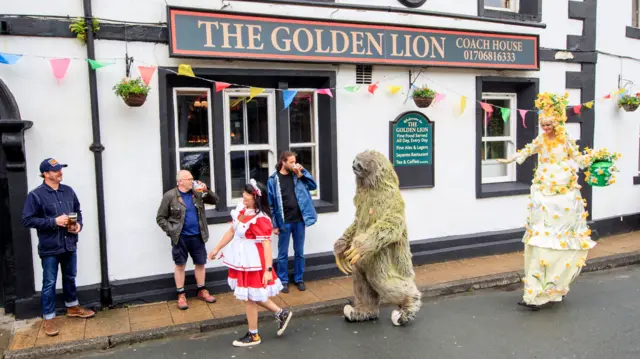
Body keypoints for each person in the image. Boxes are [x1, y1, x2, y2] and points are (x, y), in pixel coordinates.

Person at [497, 92, 596, 311]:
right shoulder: (541, 140)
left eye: (549, 125)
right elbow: (526, 151)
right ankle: (535, 293)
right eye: (543, 124)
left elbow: (580, 160)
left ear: (558, 123)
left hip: (565, 195)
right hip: (543, 193)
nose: (546, 128)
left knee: (561, 242)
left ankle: (556, 288)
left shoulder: (567, 141)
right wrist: (511, 158)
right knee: (540, 241)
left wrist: (596, 158)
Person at [208, 179, 292, 347]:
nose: (244, 196)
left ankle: (254, 335)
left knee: (249, 297)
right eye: (244, 193)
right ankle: (280, 313)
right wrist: (217, 248)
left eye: (247, 194)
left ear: (256, 198)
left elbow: (266, 244)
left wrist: (268, 269)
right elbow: (232, 231)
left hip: (253, 260)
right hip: (241, 259)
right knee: (250, 295)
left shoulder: (261, 219)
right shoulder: (241, 210)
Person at [21, 158, 96, 337]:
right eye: (56, 170)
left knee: (70, 277)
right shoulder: (36, 195)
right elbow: (27, 220)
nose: (60, 172)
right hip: (50, 247)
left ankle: (72, 307)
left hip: (69, 243)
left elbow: (77, 211)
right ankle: (49, 318)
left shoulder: (68, 191)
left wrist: (78, 225)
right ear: (46, 174)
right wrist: (53, 221)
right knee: (49, 283)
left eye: (60, 169)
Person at [156, 170, 219, 310]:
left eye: (192, 178)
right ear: (180, 182)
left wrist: (206, 190)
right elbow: (160, 218)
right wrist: (171, 230)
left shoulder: (197, 193)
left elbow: (215, 200)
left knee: (200, 263)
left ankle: (202, 290)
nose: (192, 181)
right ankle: (181, 294)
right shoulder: (170, 196)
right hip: (181, 237)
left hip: (198, 235)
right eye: (189, 179)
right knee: (180, 265)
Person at [267, 151, 317, 293]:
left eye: (295, 161)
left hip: (299, 220)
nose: (294, 164)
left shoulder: (298, 175)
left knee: (299, 252)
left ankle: (299, 279)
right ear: (283, 162)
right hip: (284, 221)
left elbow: (313, 186)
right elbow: (271, 204)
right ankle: (283, 281)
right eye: (291, 162)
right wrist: (275, 225)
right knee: (282, 254)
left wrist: (303, 173)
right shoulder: (273, 179)